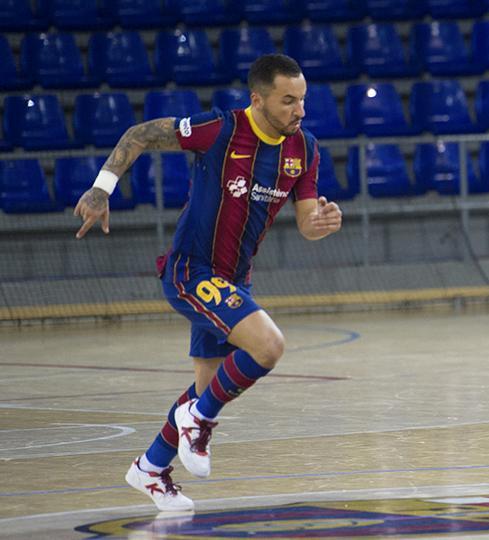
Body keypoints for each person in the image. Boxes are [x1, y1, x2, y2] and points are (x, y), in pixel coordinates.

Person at [73, 54, 343, 511]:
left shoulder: (304, 149)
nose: (299, 111)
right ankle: (197, 422)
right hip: (192, 271)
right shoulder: (219, 129)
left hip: (234, 280)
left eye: (303, 100)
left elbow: (305, 223)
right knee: (268, 347)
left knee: (209, 386)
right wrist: (101, 189)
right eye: (288, 101)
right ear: (257, 100)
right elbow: (139, 135)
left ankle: (151, 468)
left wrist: (322, 222)